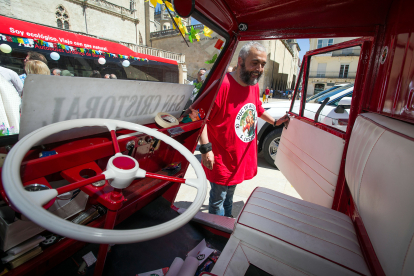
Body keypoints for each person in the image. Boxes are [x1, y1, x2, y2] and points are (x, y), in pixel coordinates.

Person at [199, 41, 289, 217]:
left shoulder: (253, 85)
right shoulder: (222, 85)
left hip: (239, 155)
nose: (259, 68)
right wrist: (205, 150)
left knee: (230, 194)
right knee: (218, 197)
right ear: (240, 61)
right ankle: (216, 230)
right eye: (254, 62)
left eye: (263, 64)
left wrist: (275, 122)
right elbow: (201, 118)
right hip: (220, 156)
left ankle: (227, 220)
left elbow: (258, 109)